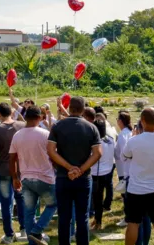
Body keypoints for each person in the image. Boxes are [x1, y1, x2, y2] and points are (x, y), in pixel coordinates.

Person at [47, 96, 102, 245]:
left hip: (63, 177)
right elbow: (97, 153)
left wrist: (69, 167)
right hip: (83, 178)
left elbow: (51, 151)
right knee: (82, 217)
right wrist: (81, 169)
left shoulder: (58, 126)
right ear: (83, 110)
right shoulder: (91, 127)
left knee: (64, 217)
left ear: (69, 108)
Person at [123, 108, 154, 245]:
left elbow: (125, 156)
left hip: (137, 188)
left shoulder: (134, 140)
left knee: (133, 223)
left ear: (143, 121)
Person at [9, 106, 56, 245]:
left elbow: (12, 158)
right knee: (53, 204)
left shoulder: (17, 135)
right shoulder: (45, 134)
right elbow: (53, 155)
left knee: (29, 211)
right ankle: (37, 230)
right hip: (45, 177)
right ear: (39, 117)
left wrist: (14, 177)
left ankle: (32, 241)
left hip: (26, 178)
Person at [0, 103, 26, 244]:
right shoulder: (22, 125)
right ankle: (24, 228)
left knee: (6, 202)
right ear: (11, 112)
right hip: (20, 168)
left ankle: (9, 234)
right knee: (21, 199)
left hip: (2, 168)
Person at [90, 118, 115, 231]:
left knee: (97, 200)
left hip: (96, 173)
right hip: (107, 171)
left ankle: (98, 222)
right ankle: (96, 218)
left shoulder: (95, 142)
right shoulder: (110, 139)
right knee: (99, 198)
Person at [95, 112, 117, 211]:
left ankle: (100, 207)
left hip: (101, 167)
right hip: (109, 164)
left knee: (99, 191)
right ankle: (107, 204)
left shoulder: (103, 134)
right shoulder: (112, 131)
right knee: (108, 185)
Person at [115, 110, 133, 228]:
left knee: (126, 195)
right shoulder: (128, 132)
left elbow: (123, 154)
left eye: (117, 120)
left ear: (120, 121)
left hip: (124, 168)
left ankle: (128, 217)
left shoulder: (122, 135)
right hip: (127, 168)